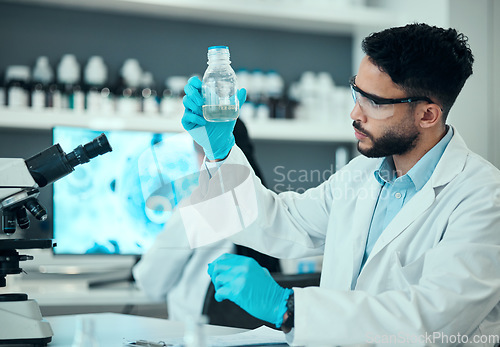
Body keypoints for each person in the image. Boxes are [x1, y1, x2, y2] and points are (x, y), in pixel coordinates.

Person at [180, 23, 500, 346]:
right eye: (356, 92)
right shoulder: (363, 173)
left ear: (428, 115)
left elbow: (428, 323)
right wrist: (220, 153)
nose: (354, 112)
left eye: (373, 102)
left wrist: (289, 309)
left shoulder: (482, 198)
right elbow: (284, 222)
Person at [132, 118, 280, 322]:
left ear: (201, 155)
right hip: (262, 334)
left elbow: (151, 284)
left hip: (201, 336)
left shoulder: (195, 207)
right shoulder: (269, 202)